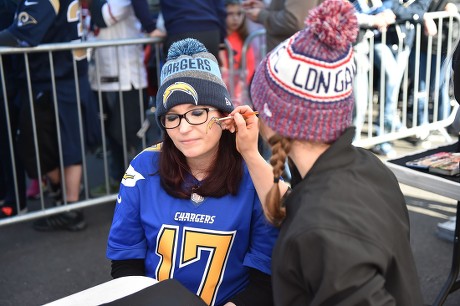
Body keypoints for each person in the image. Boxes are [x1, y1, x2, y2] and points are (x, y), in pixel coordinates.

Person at [229, 0, 424, 304]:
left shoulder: (323, 230)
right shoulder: (366, 168)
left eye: (258, 101)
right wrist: (251, 154)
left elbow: (316, 223)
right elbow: (293, 207)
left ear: (274, 118)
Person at [106, 38, 280, 306]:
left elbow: (265, 279)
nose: (184, 128)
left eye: (197, 112)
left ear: (224, 115)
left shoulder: (254, 174)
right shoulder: (143, 168)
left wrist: (251, 153)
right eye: (172, 117)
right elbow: (126, 263)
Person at [0, 0, 100, 230]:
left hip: (56, 77)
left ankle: (70, 207)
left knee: (52, 145)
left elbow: (24, 34)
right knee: (48, 145)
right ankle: (65, 199)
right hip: (61, 75)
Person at [88, 0, 162, 195]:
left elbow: (103, 17)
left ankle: (148, 187)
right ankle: (118, 182)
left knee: (131, 136)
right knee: (112, 138)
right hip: (99, 78)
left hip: (128, 79)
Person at [370, 0, 433, 156]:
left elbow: (419, 8)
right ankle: (390, 119)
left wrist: (416, 15)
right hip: (381, 39)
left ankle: (383, 140)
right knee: (390, 79)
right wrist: (417, 16)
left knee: (391, 88)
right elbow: (389, 4)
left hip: (405, 42)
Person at [159, 0, 227, 62]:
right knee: (207, 74)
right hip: (210, 31)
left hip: (180, 29)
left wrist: (150, 27)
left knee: (179, 74)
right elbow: (220, 10)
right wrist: (221, 39)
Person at [242, 0, 323, 52]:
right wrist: (267, 8)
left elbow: (293, 21)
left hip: (292, 61)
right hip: (289, 58)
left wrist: (261, 15)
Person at [219, 0, 256, 107]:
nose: (235, 18)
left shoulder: (245, 40)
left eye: (239, 14)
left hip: (238, 94)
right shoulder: (219, 39)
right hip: (220, 91)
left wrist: (238, 89)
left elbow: (249, 67)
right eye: (230, 14)